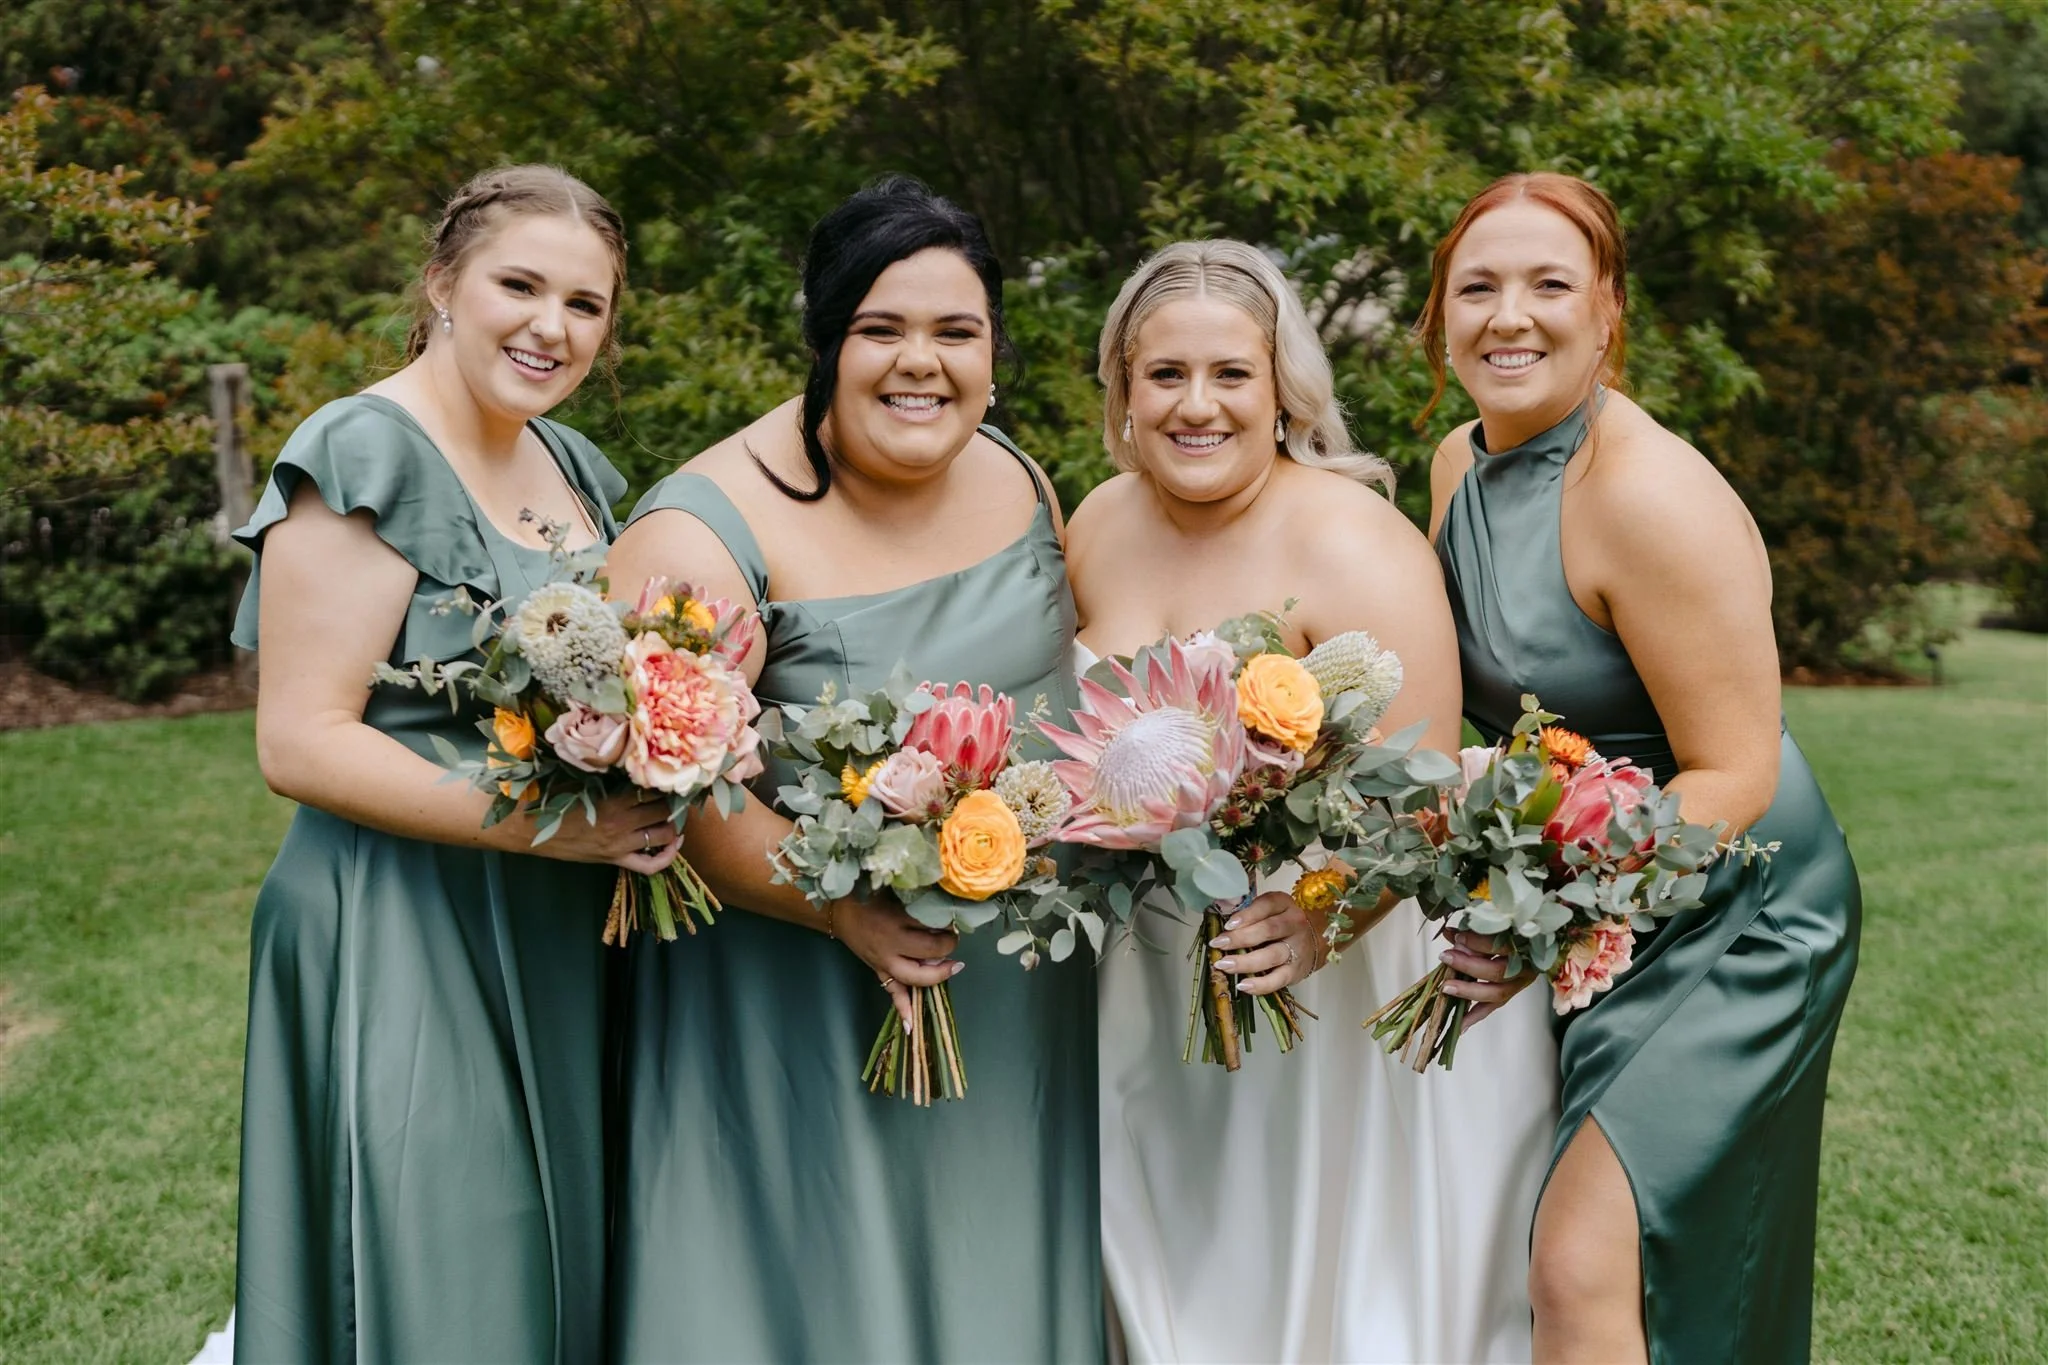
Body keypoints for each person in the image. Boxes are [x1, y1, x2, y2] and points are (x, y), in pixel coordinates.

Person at [599, 177, 1101, 1363]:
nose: (918, 364)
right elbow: (679, 798)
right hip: (797, 991)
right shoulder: (700, 532)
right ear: (823, 340)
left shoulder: (1021, 478)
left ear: (993, 351)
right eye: (880, 329)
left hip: (1016, 994)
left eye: (955, 332)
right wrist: (844, 909)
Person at [1071, 239, 1559, 1363]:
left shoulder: (1354, 544)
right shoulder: (1095, 521)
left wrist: (1317, 919)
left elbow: (1425, 789)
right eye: (1165, 376)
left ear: (1281, 388)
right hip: (1138, 973)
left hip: (1312, 975)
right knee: (1160, 1271)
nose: (1197, 406)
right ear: (1124, 393)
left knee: (1292, 1281)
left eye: (1230, 375)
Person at [223, 165, 668, 1364]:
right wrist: (548, 829)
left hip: (553, 921)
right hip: (397, 918)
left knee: (551, 1264)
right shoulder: (363, 450)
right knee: (444, 1274)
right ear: (441, 285)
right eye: (518, 286)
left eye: (584, 305)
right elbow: (299, 740)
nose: (550, 327)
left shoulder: (573, 465)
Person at [1421, 172, 1861, 1363]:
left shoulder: (1647, 495)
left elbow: (1731, 771)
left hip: (1737, 908)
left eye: (1548, 285)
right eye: (1478, 288)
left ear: (1607, 311)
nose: (1509, 316)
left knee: (1581, 1266)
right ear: (1440, 318)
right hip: (1592, 884)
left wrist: (1545, 915)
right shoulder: (1456, 467)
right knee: (1584, 1256)